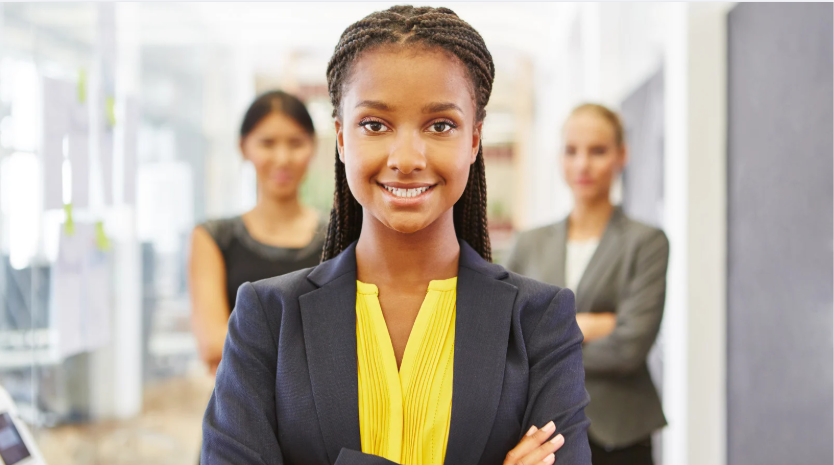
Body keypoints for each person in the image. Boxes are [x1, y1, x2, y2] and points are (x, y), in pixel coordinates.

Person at [201, 6, 591, 465]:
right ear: (342, 138)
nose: (407, 157)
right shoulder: (268, 318)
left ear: (474, 140)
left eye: (440, 125)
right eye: (375, 125)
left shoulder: (539, 321)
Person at [504, 103, 669, 465]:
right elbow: (505, 336)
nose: (583, 164)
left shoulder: (646, 242)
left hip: (621, 434)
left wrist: (547, 344)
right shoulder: (529, 243)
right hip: (542, 436)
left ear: (621, 155)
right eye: (571, 151)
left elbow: (629, 347)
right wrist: (592, 325)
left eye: (597, 151)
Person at [189, 90, 326, 377]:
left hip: (323, 418)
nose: (282, 158)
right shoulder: (214, 238)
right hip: (242, 412)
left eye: (295, 143)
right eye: (267, 143)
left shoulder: (340, 235)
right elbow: (213, 345)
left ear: (312, 147)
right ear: (243, 147)